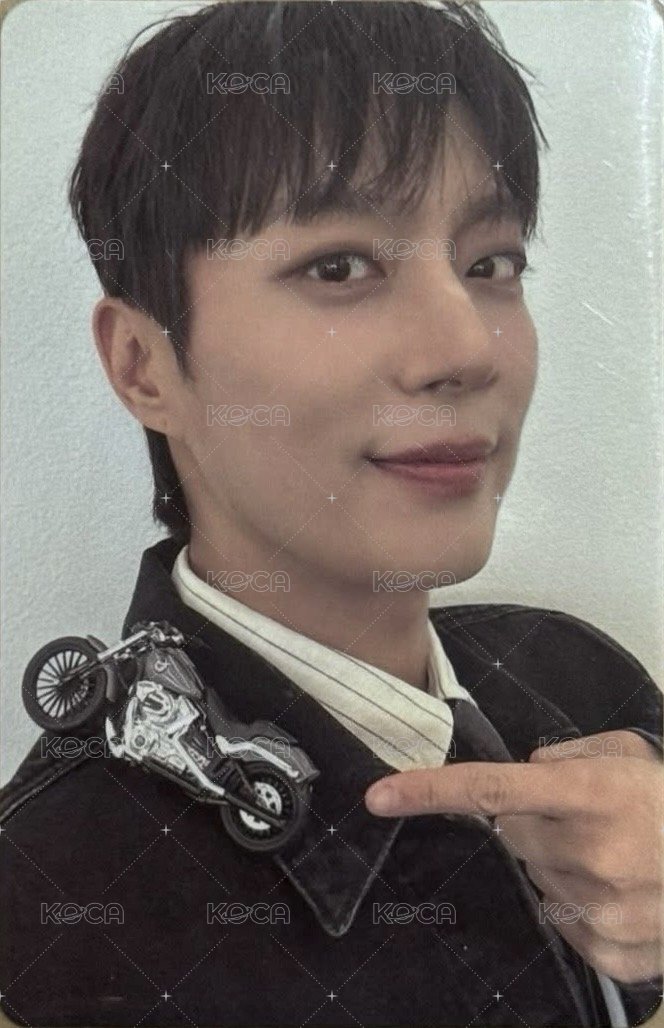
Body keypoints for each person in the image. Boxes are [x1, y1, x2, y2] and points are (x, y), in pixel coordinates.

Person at [1, 1, 661, 1025]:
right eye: (339, 266)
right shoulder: (53, 910)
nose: (467, 349)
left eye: (490, 263)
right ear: (143, 363)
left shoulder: (583, 684)